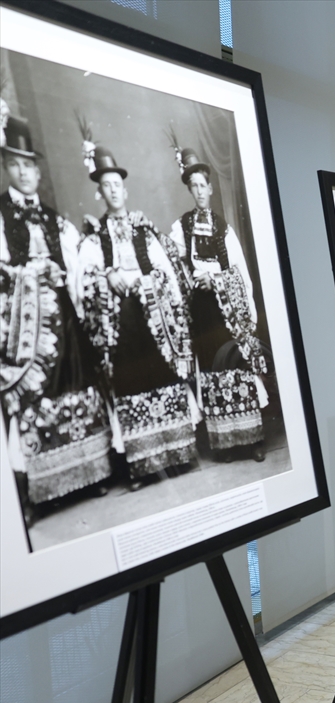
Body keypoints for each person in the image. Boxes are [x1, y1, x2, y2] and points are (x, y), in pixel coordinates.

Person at [0, 115, 111, 518]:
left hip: (63, 316)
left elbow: (78, 258)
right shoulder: (0, 215)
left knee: (76, 378)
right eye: (15, 165)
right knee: (34, 391)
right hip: (27, 327)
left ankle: (90, 471)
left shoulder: (51, 216)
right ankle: (38, 487)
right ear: (5, 167)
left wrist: (92, 238)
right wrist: (29, 274)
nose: (25, 173)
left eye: (30, 165)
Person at [77, 145, 196, 487]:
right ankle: (143, 466)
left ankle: (179, 454)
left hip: (152, 319)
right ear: (100, 193)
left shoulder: (144, 230)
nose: (114, 191)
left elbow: (167, 272)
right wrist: (106, 278)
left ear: (125, 190)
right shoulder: (95, 240)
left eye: (118, 184)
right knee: (130, 382)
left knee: (162, 374)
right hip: (123, 325)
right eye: (107, 186)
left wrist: (146, 281)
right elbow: (85, 281)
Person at [168, 147, 267, 462]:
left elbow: (239, 270)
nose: (199, 191)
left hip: (226, 309)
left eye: (203, 185)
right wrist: (192, 278)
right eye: (193, 186)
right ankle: (224, 443)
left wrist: (219, 281)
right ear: (190, 190)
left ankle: (250, 440)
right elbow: (171, 261)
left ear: (211, 188)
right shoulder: (182, 227)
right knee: (212, 368)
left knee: (235, 364)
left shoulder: (223, 228)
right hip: (202, 311)